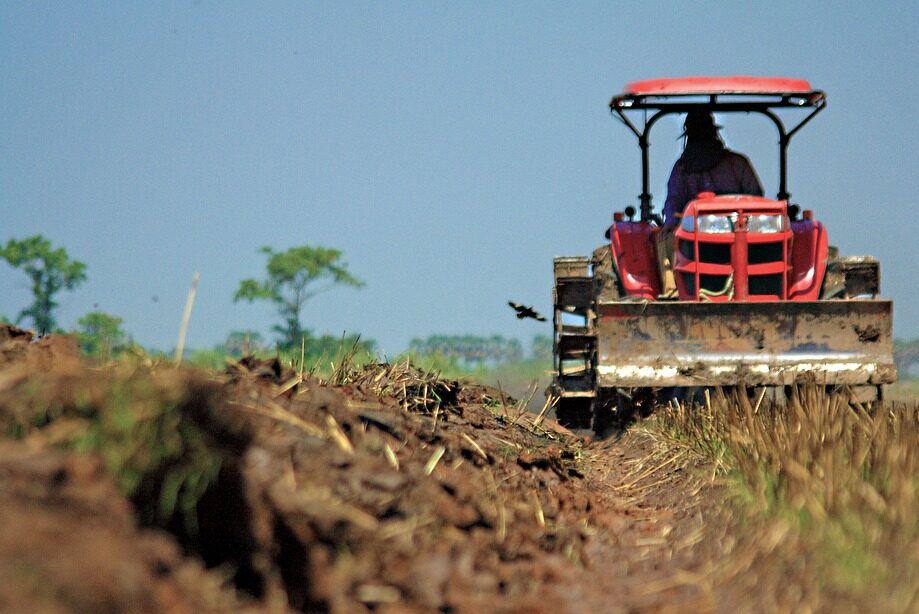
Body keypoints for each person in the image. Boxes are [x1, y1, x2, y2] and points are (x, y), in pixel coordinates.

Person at [662, 110, 764, 227]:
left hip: (737, 230)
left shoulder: (737, 164)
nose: (701, 141)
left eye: (703, 135)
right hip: (692, 234)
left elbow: (755, 200)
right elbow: (673, 204)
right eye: (697, 136)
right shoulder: (682, 169)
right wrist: (670, 226)